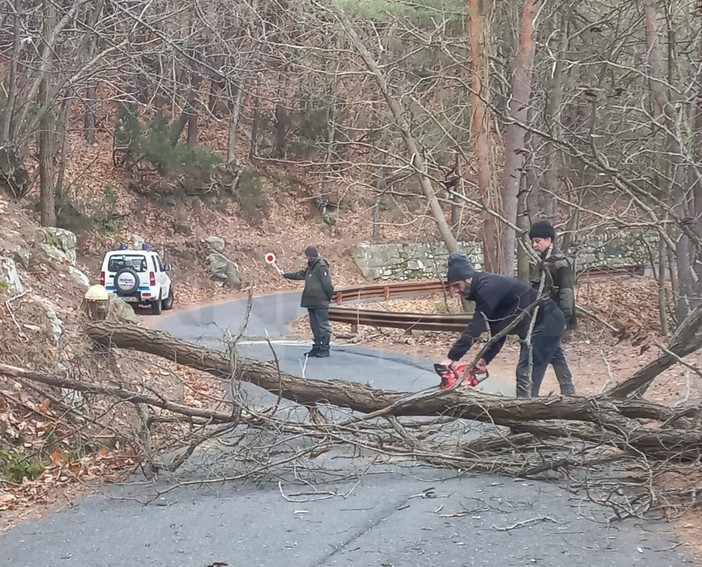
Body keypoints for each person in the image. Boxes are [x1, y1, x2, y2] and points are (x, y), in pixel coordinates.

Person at [438, 252, 565, 398]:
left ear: (468, 278)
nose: (455, 291)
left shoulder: (487, 288)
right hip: (538, 323)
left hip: (546, 320)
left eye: (456, 285)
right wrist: (485, 359)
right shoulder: (485, 288)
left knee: (526, 370)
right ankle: (569, 396)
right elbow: (499, 330)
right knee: (556, 360)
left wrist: (451, 357)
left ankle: (525, 411)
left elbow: (475, 327)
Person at [528, 220, 577, 396]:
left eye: (538, 241)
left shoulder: (559, 263)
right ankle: (568, 389)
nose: (534, 245)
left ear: (549, 240)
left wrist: (563, 318)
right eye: (533, 241)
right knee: (554, 352)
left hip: (553, 317)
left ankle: (531, 393)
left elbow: (566, 291)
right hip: (543, 316)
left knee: (541, 353)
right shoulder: (543, 262)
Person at [282, 245, 335, 358]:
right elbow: (300, 274)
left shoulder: (321, 266)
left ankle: (325, 349)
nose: (307, 258)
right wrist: (285, 275)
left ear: (311, 256)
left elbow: (328, 285)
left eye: (308, 256)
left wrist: (327, 298)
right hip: (311, 302)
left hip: (321, 302)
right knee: (314, 326)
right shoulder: (311, 267)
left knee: (323, 326)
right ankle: (316, 347)